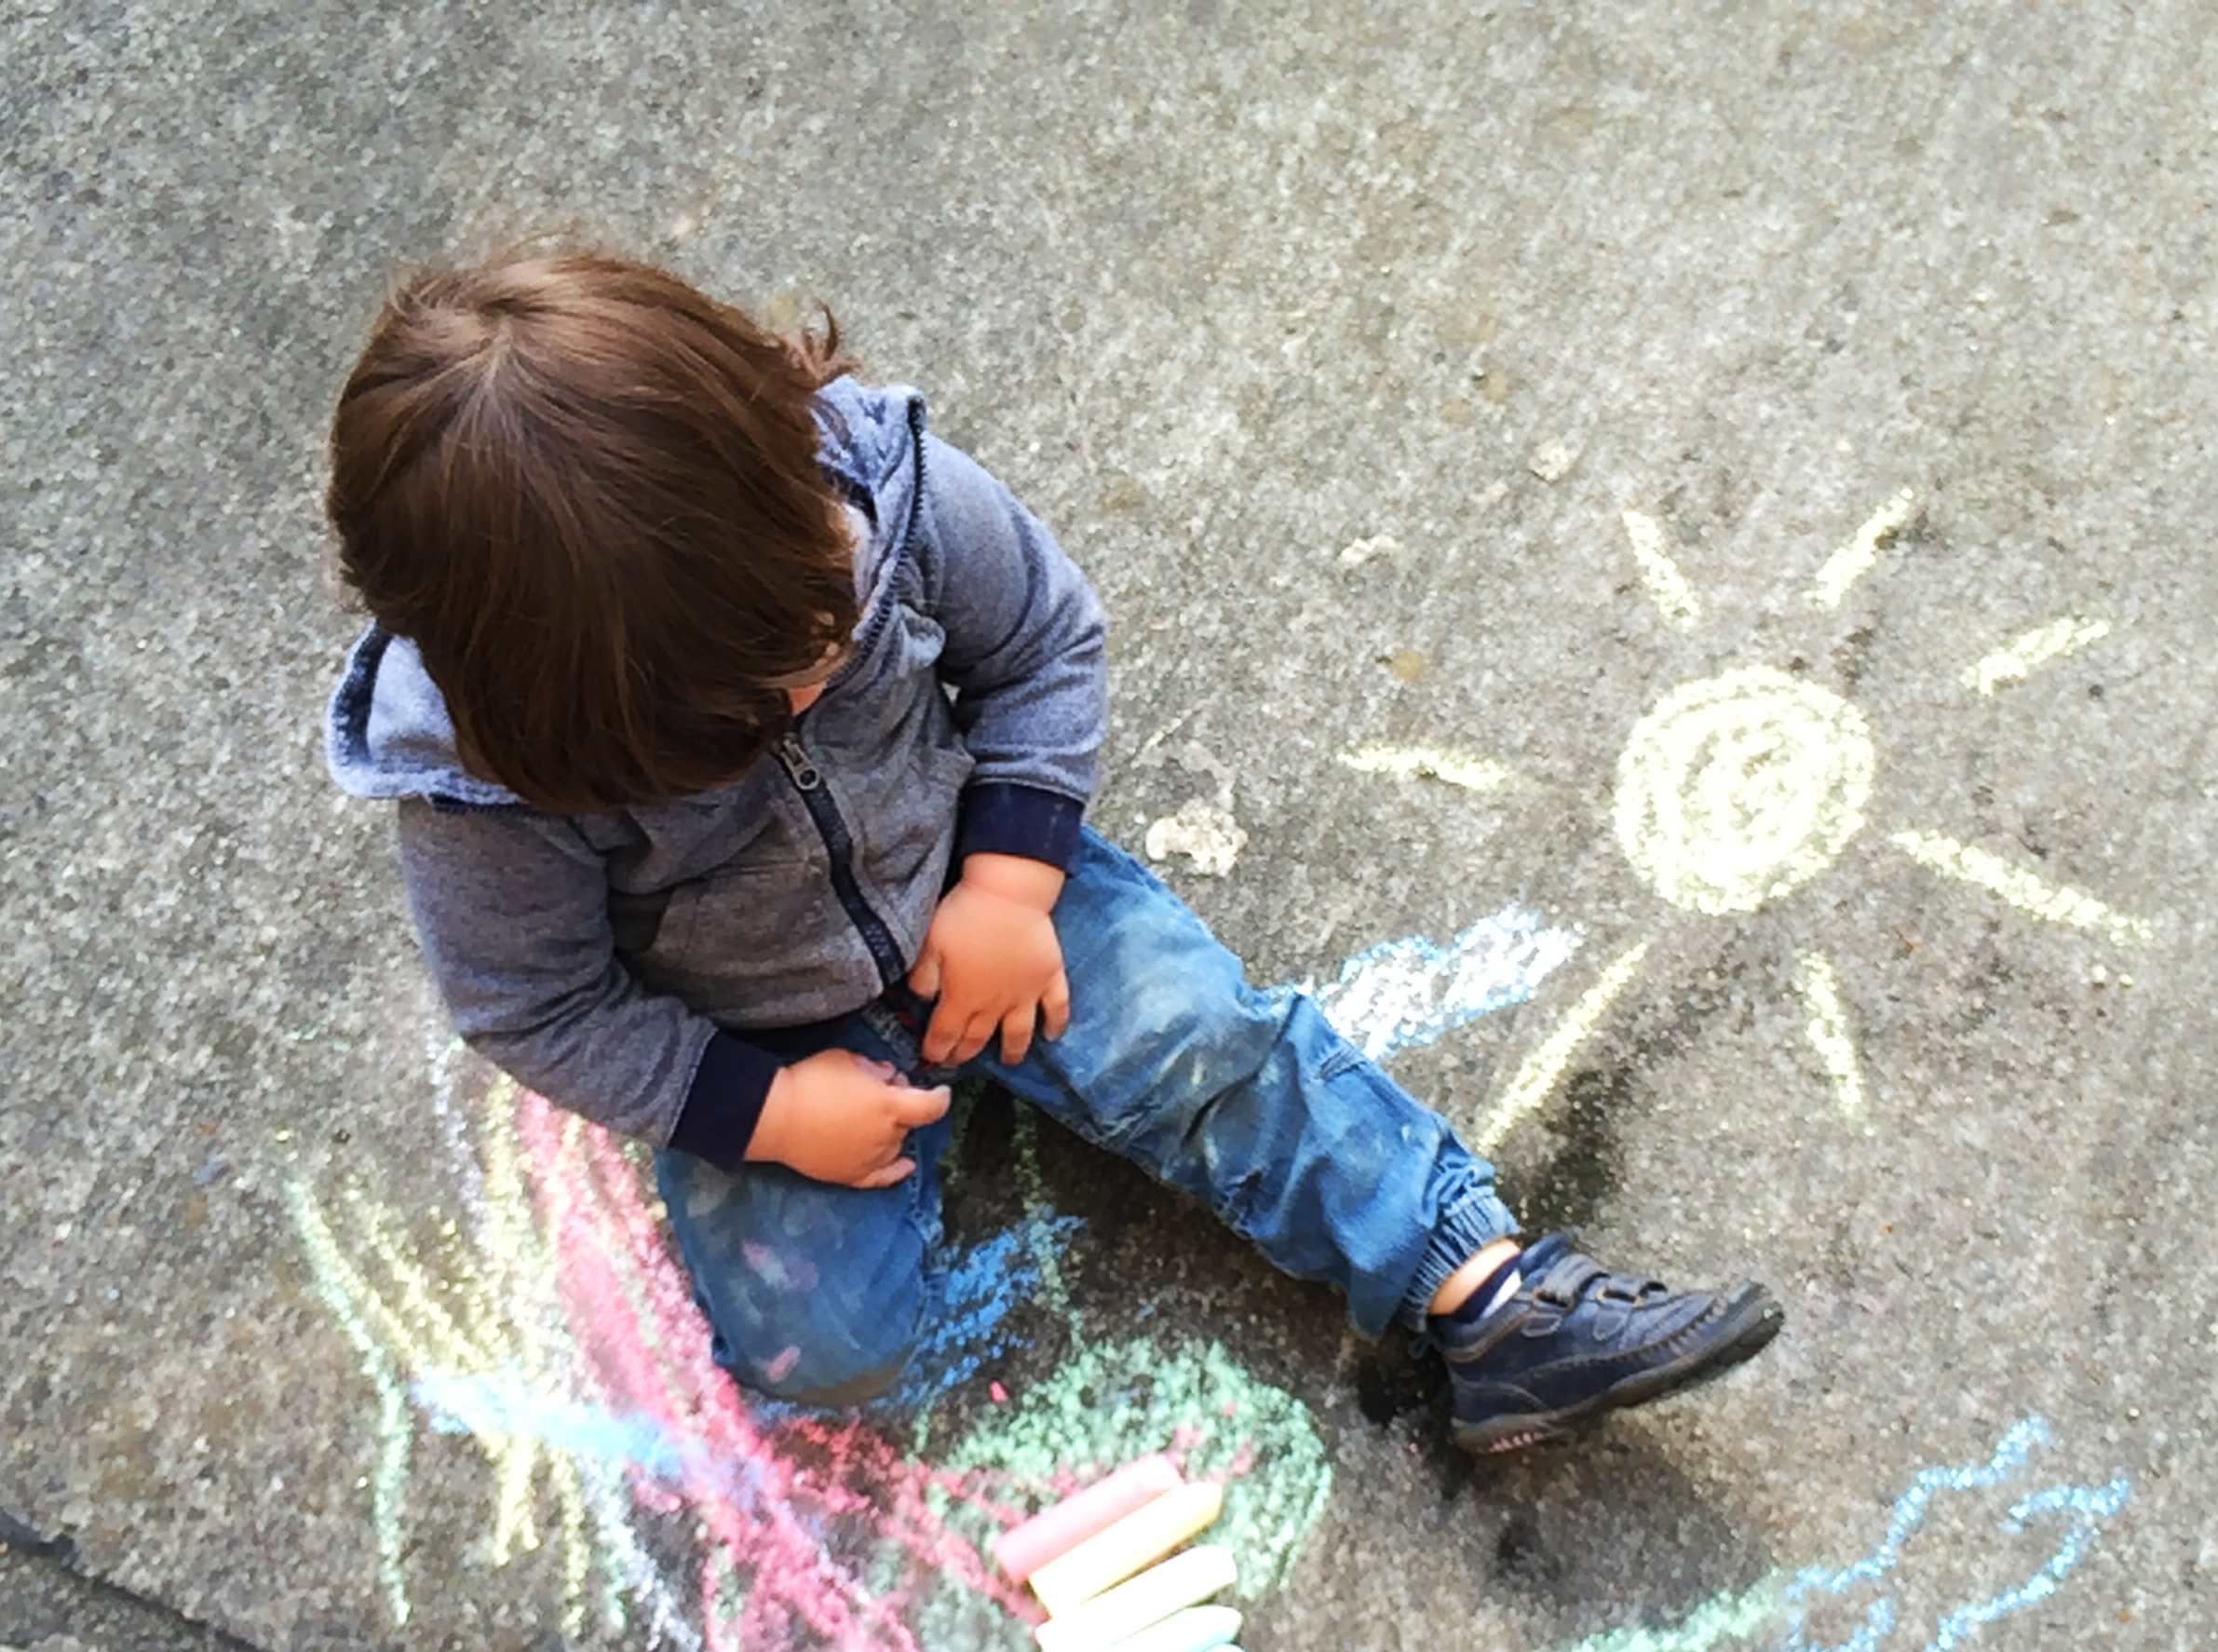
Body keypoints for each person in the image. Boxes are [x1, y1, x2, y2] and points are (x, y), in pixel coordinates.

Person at [321, 251, 1780, 1453]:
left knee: (1206, 1043)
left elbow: (1043, 644)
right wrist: (764, 1111)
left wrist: (1010, 885)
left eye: (821, 618)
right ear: (553, 725)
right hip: (755, 1026)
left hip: (972, 867)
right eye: (746, 706)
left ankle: (1493, 1304)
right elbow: (535, 1004)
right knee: (821, 1349)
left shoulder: (871, 493)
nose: (816, 671)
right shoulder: (484, 792)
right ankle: (853, 1116)